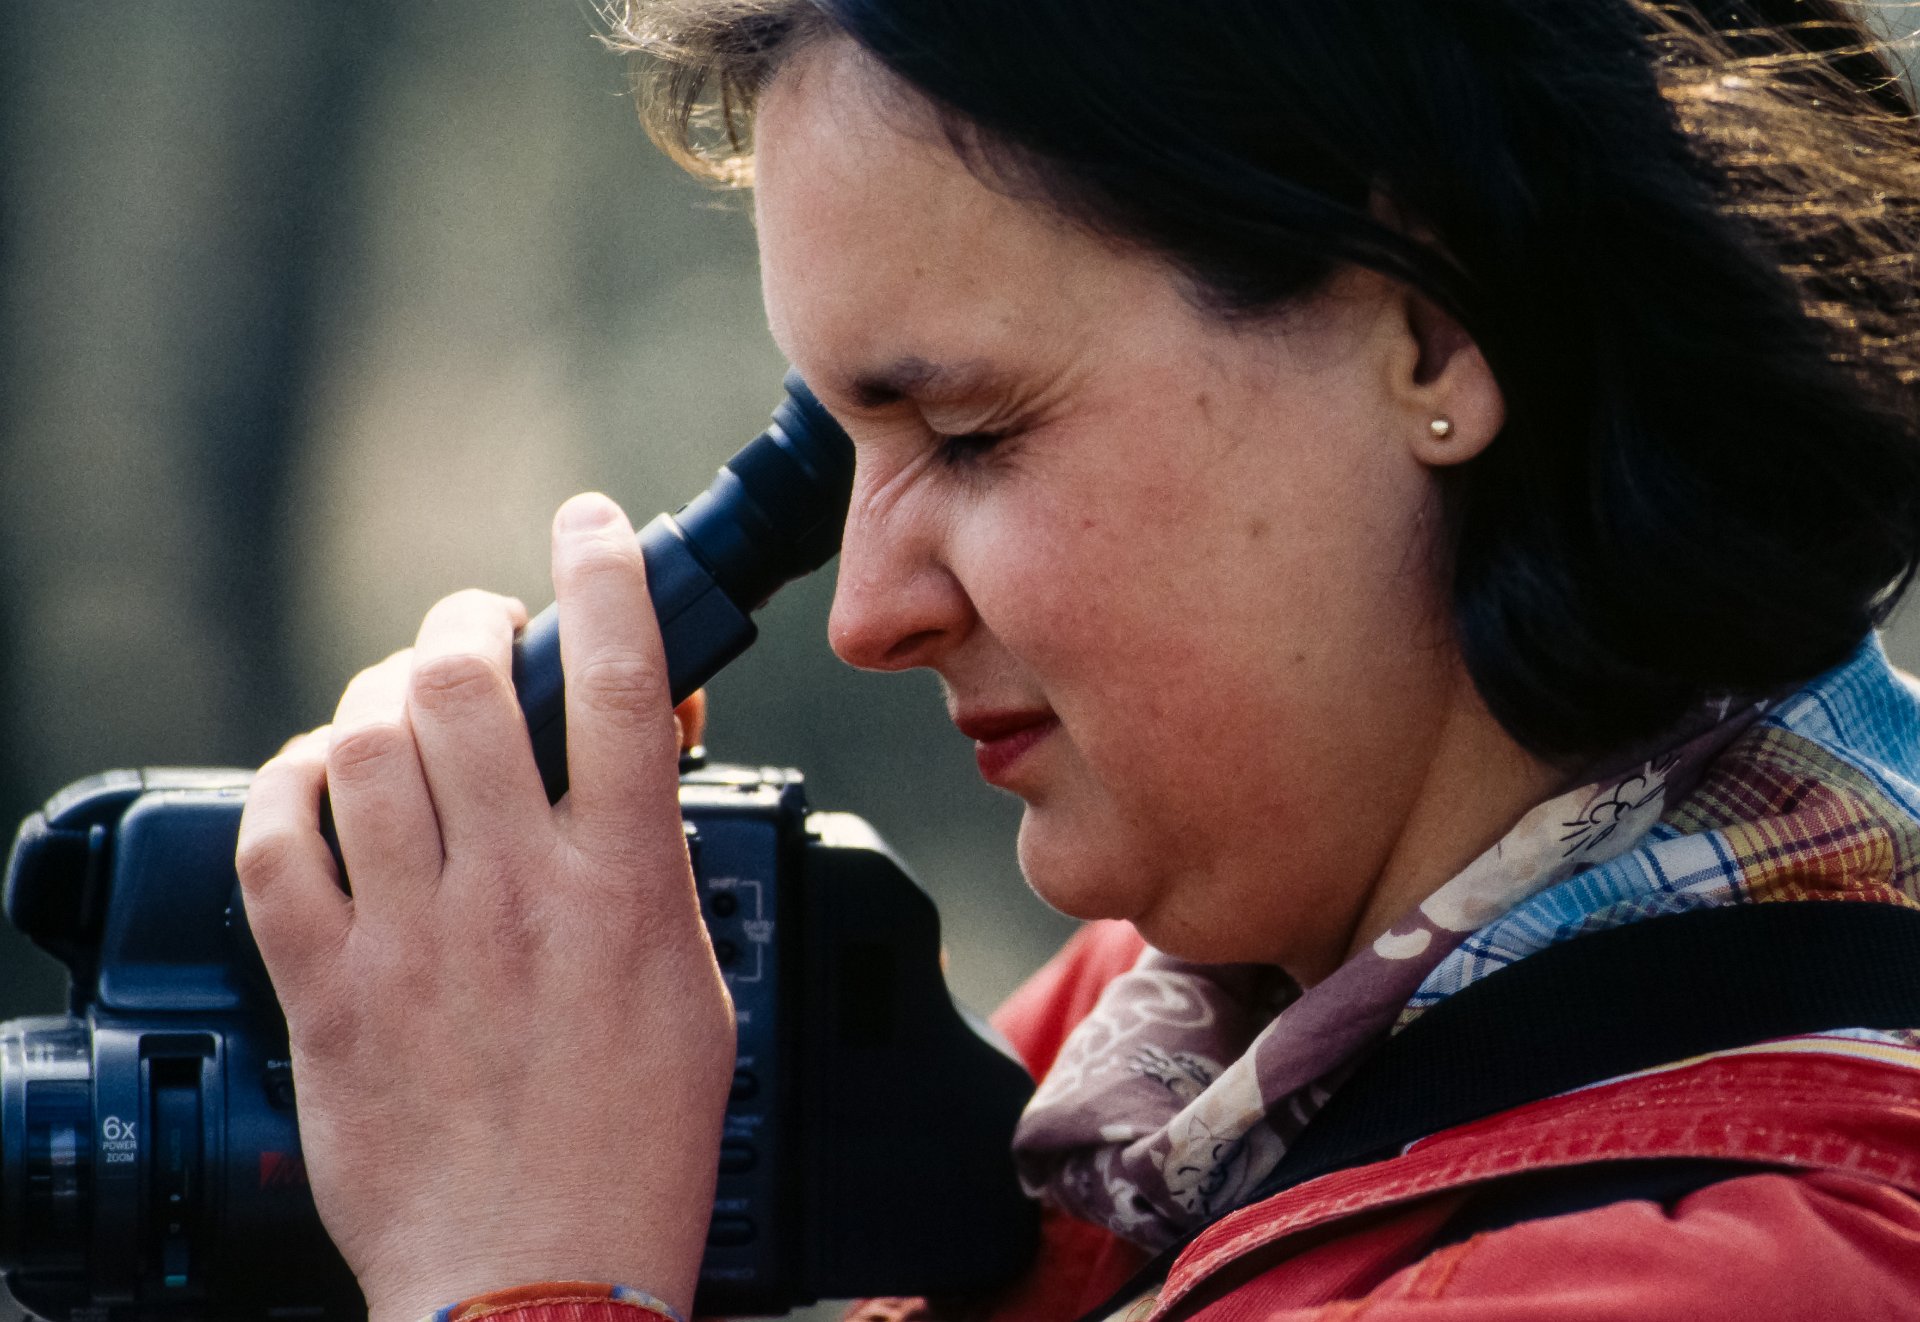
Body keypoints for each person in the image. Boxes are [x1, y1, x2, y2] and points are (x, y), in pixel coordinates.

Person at [234, 1, 1920, 1319]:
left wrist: (526, 1270)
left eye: (968, 435)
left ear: (1433, 336)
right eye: (840, 462)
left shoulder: (1739, 1267)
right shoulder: (1191, 1057)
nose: (863, 611)